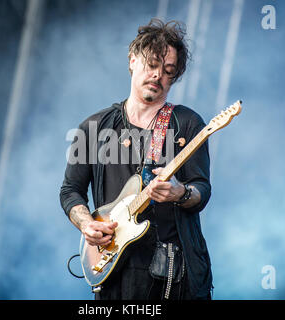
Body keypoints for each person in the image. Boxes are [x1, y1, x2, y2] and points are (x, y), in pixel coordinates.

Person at [60, 19, 212, 300]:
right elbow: (70, 191)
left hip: (172, 276)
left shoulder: (188, 124)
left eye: (168, 71)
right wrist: (86, 224)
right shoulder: (93, 127)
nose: (158, 75)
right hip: (114, 271)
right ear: (132, 61)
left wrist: (181, 193)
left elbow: (201, 190)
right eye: (152, 65)